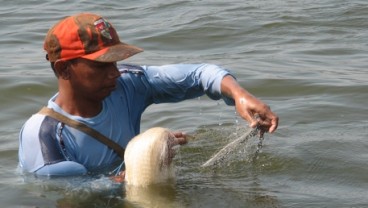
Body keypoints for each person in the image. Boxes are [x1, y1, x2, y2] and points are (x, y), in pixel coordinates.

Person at [18, 13, 278, 177]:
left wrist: (240, 95)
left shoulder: (128, 85)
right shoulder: (45, 135)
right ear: (65, 69)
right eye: (101, 65)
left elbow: (200, 74)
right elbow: (68, 195)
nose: (115, 73)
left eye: (115, 62)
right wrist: (148, 155)